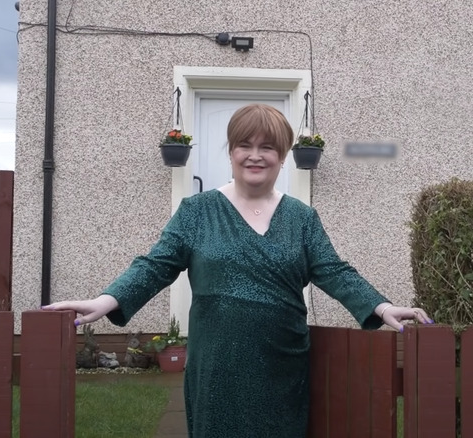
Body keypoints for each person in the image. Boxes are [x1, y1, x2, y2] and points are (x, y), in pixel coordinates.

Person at [43, 103, 433, 437]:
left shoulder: (302, 218)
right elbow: (155, 265)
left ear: (282, 157)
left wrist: (381, 307)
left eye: (267, 147)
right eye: (244, 145)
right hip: (218, 367)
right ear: (230, 152)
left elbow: (334, 270)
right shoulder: (197, 212)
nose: (255, 155)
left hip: (282, 366)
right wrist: (107, 300)